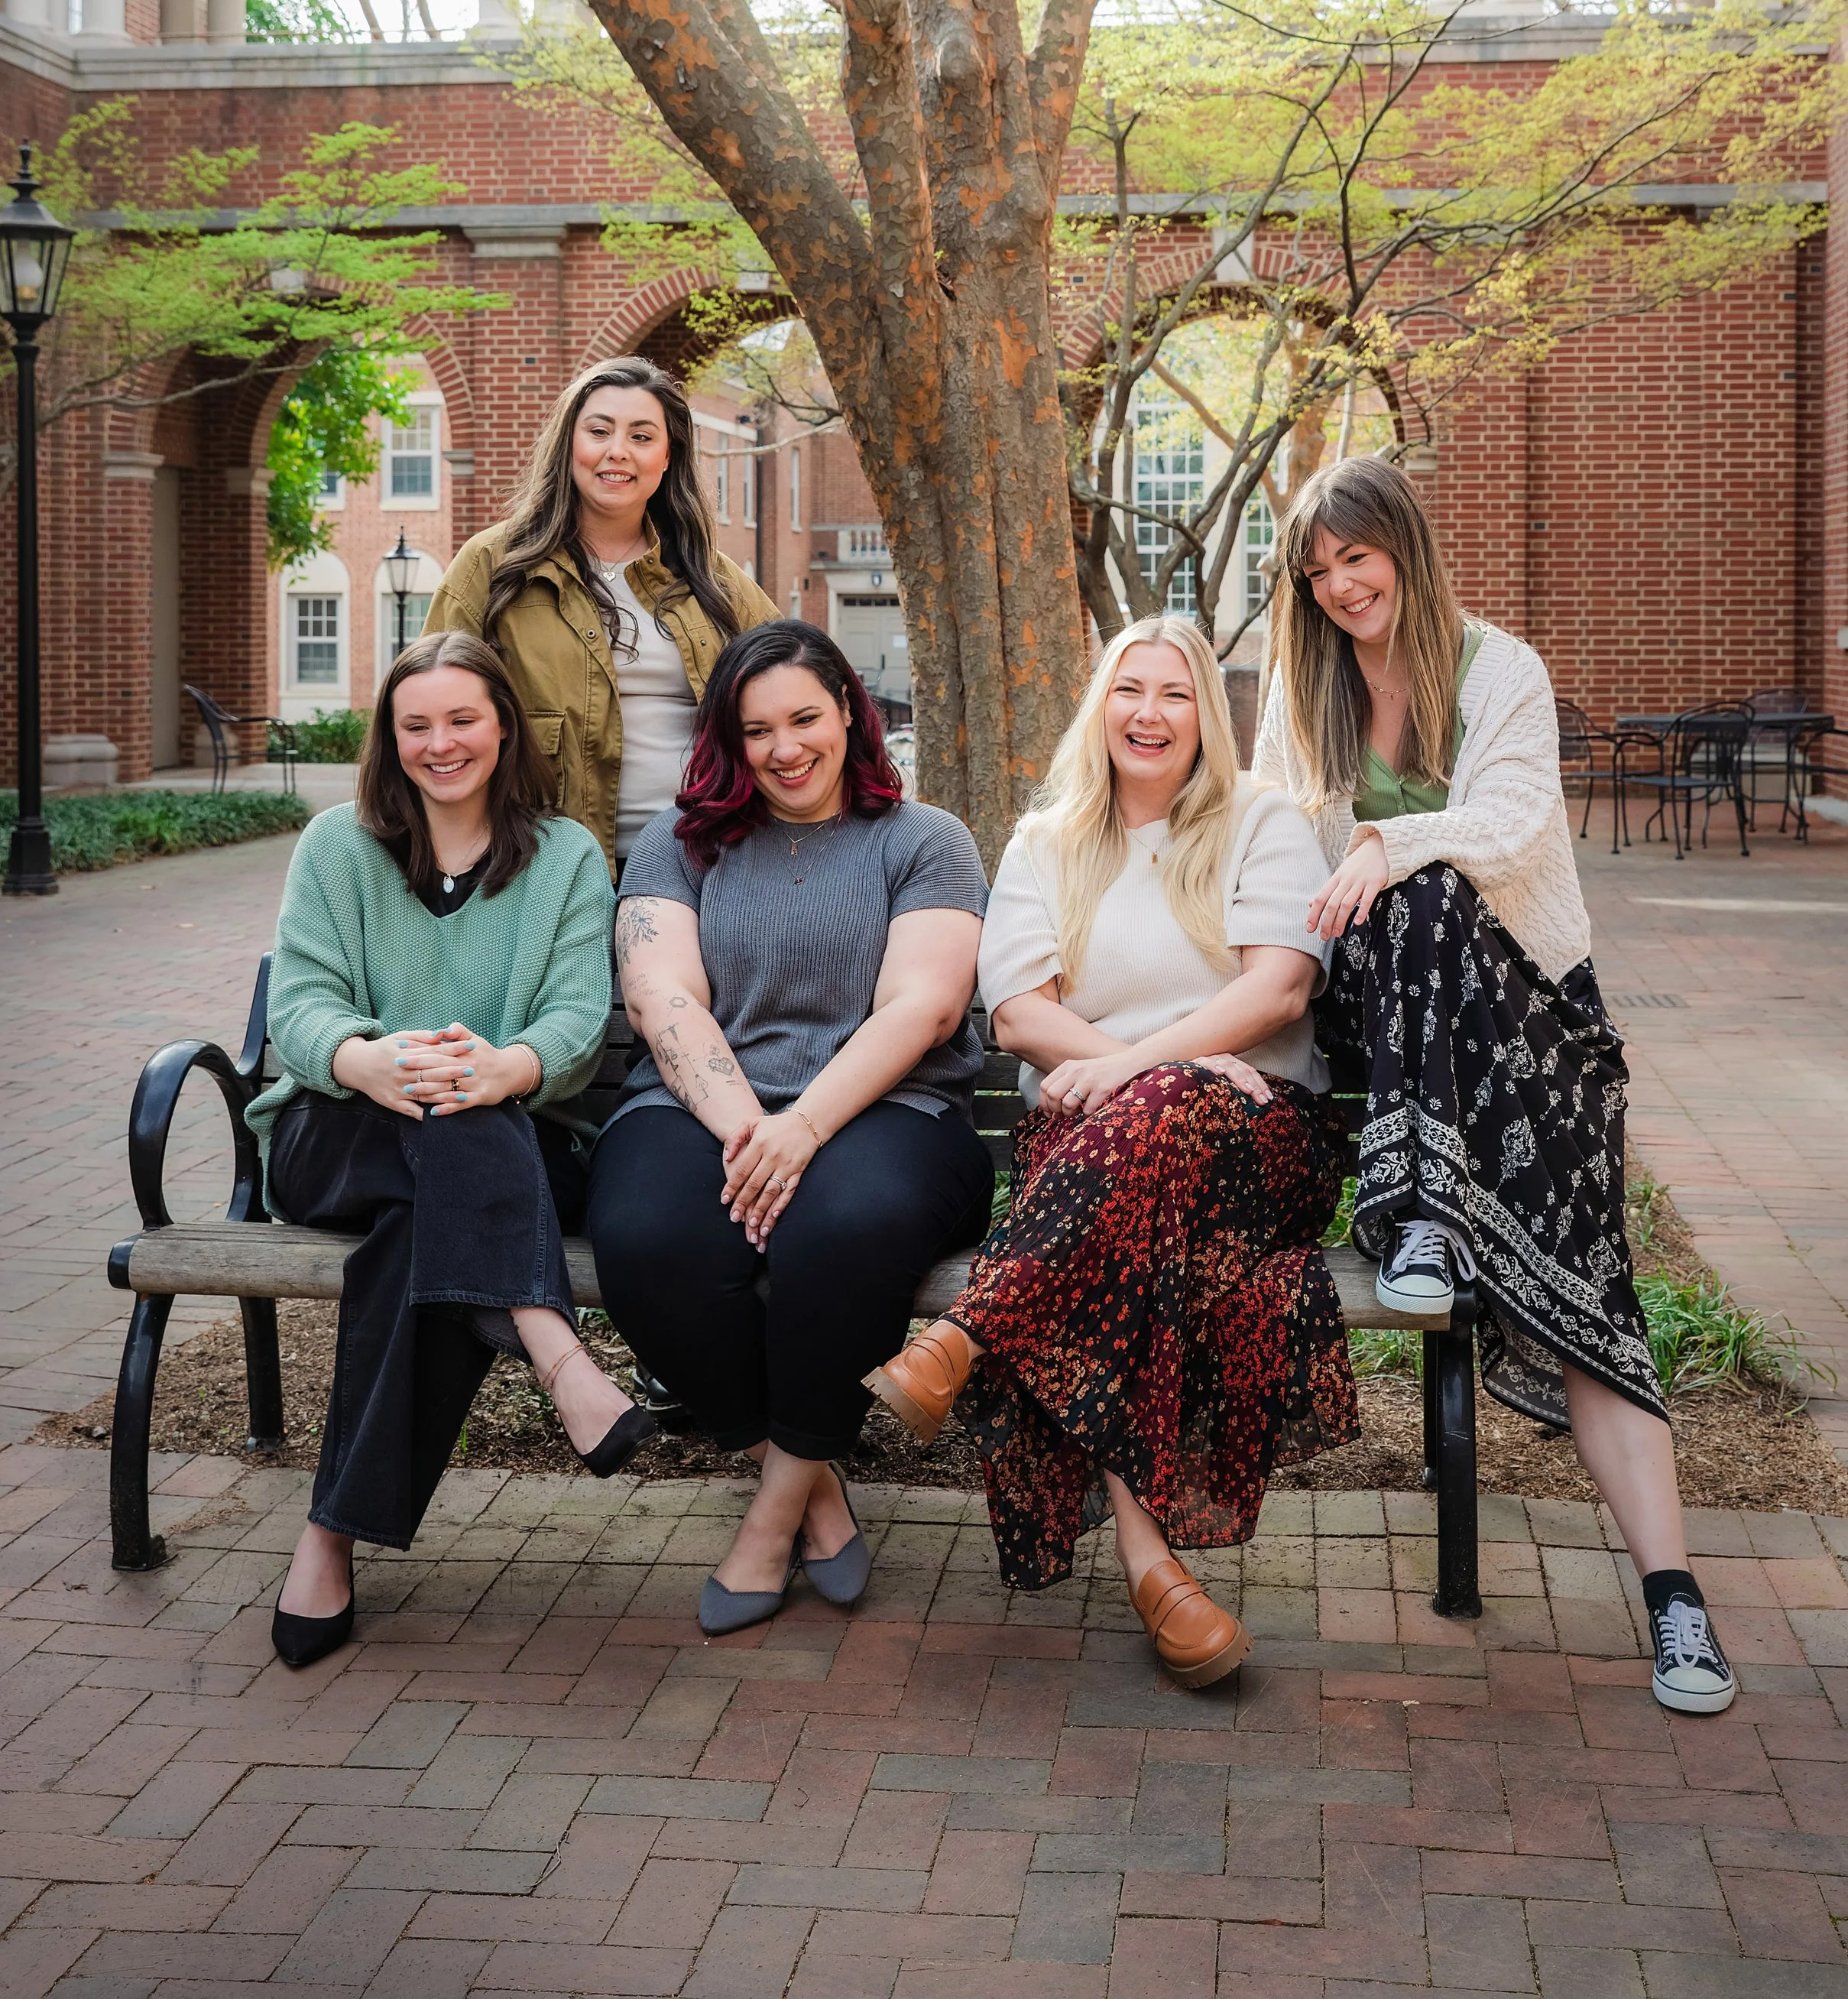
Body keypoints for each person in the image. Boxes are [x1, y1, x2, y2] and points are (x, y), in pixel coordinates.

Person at [1255, 452, 1737, 1716]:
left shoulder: (1499, 668)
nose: (1340, 585)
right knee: (1403, 905)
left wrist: (1380, 840)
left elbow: (1516, 826)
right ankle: (1418, 1206)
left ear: (1404, 546)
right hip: (1375, 1032)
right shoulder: (1303, 688)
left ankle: (1675, 1596)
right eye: (1316, 571)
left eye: (1356, 556)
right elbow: (1264, 833)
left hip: (1523, 1030)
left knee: (1427, 891)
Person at [862, 618, 1356, 1691]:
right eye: (1129, 690)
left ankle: (967, 1336)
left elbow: (1276, 990)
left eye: (1175, 695)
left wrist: (1154, 1071)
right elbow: (1018, 1015)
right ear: (1102, 706)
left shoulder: (1264, 822)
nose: (1149, 713)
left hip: (1254, 1134)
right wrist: (1161, 1072)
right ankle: (1153, 1568)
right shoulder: (1046, 842)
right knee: (1137, 1234)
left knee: (1160, 1132)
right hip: (1098, 1151)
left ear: (1206, 719)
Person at [588, 622, 994, 1637]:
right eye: (756, 728)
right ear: (730, 737)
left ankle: (771, 1520)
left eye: (805, 718)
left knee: (842, 1231)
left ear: (849, 711)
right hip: (708, 1104)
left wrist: (803, 1128)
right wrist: (749, 1131)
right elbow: (661, 994)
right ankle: (812, 1479)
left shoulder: (923, 840)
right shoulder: (680, 846)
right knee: (645, 1235)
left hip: (893, 1107)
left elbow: (923, 1009)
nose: (785, 747)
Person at [247, 631, 634, 1673]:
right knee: (442, 1137)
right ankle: (553, 1350)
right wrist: (369, 1059)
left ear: (504, 726)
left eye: (462, 719)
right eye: (416, 725)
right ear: (391, 738)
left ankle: (327, 1538)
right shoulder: (338, 844)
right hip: (343, 1132)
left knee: (427, 1216)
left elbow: (573, 1018)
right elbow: (302, 1004)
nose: (440, 742)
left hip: (504, 1132)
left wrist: (502, 1068)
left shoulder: (563, 860)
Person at [425, 355, 779, 877]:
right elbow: (423, 708)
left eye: (641, 436)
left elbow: (800, 685)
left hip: (707, 865)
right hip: (539, 869)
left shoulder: (713, 579)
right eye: (599, 431)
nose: (617, 452)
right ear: (569, 444)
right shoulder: (492, 565)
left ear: (667, 457)